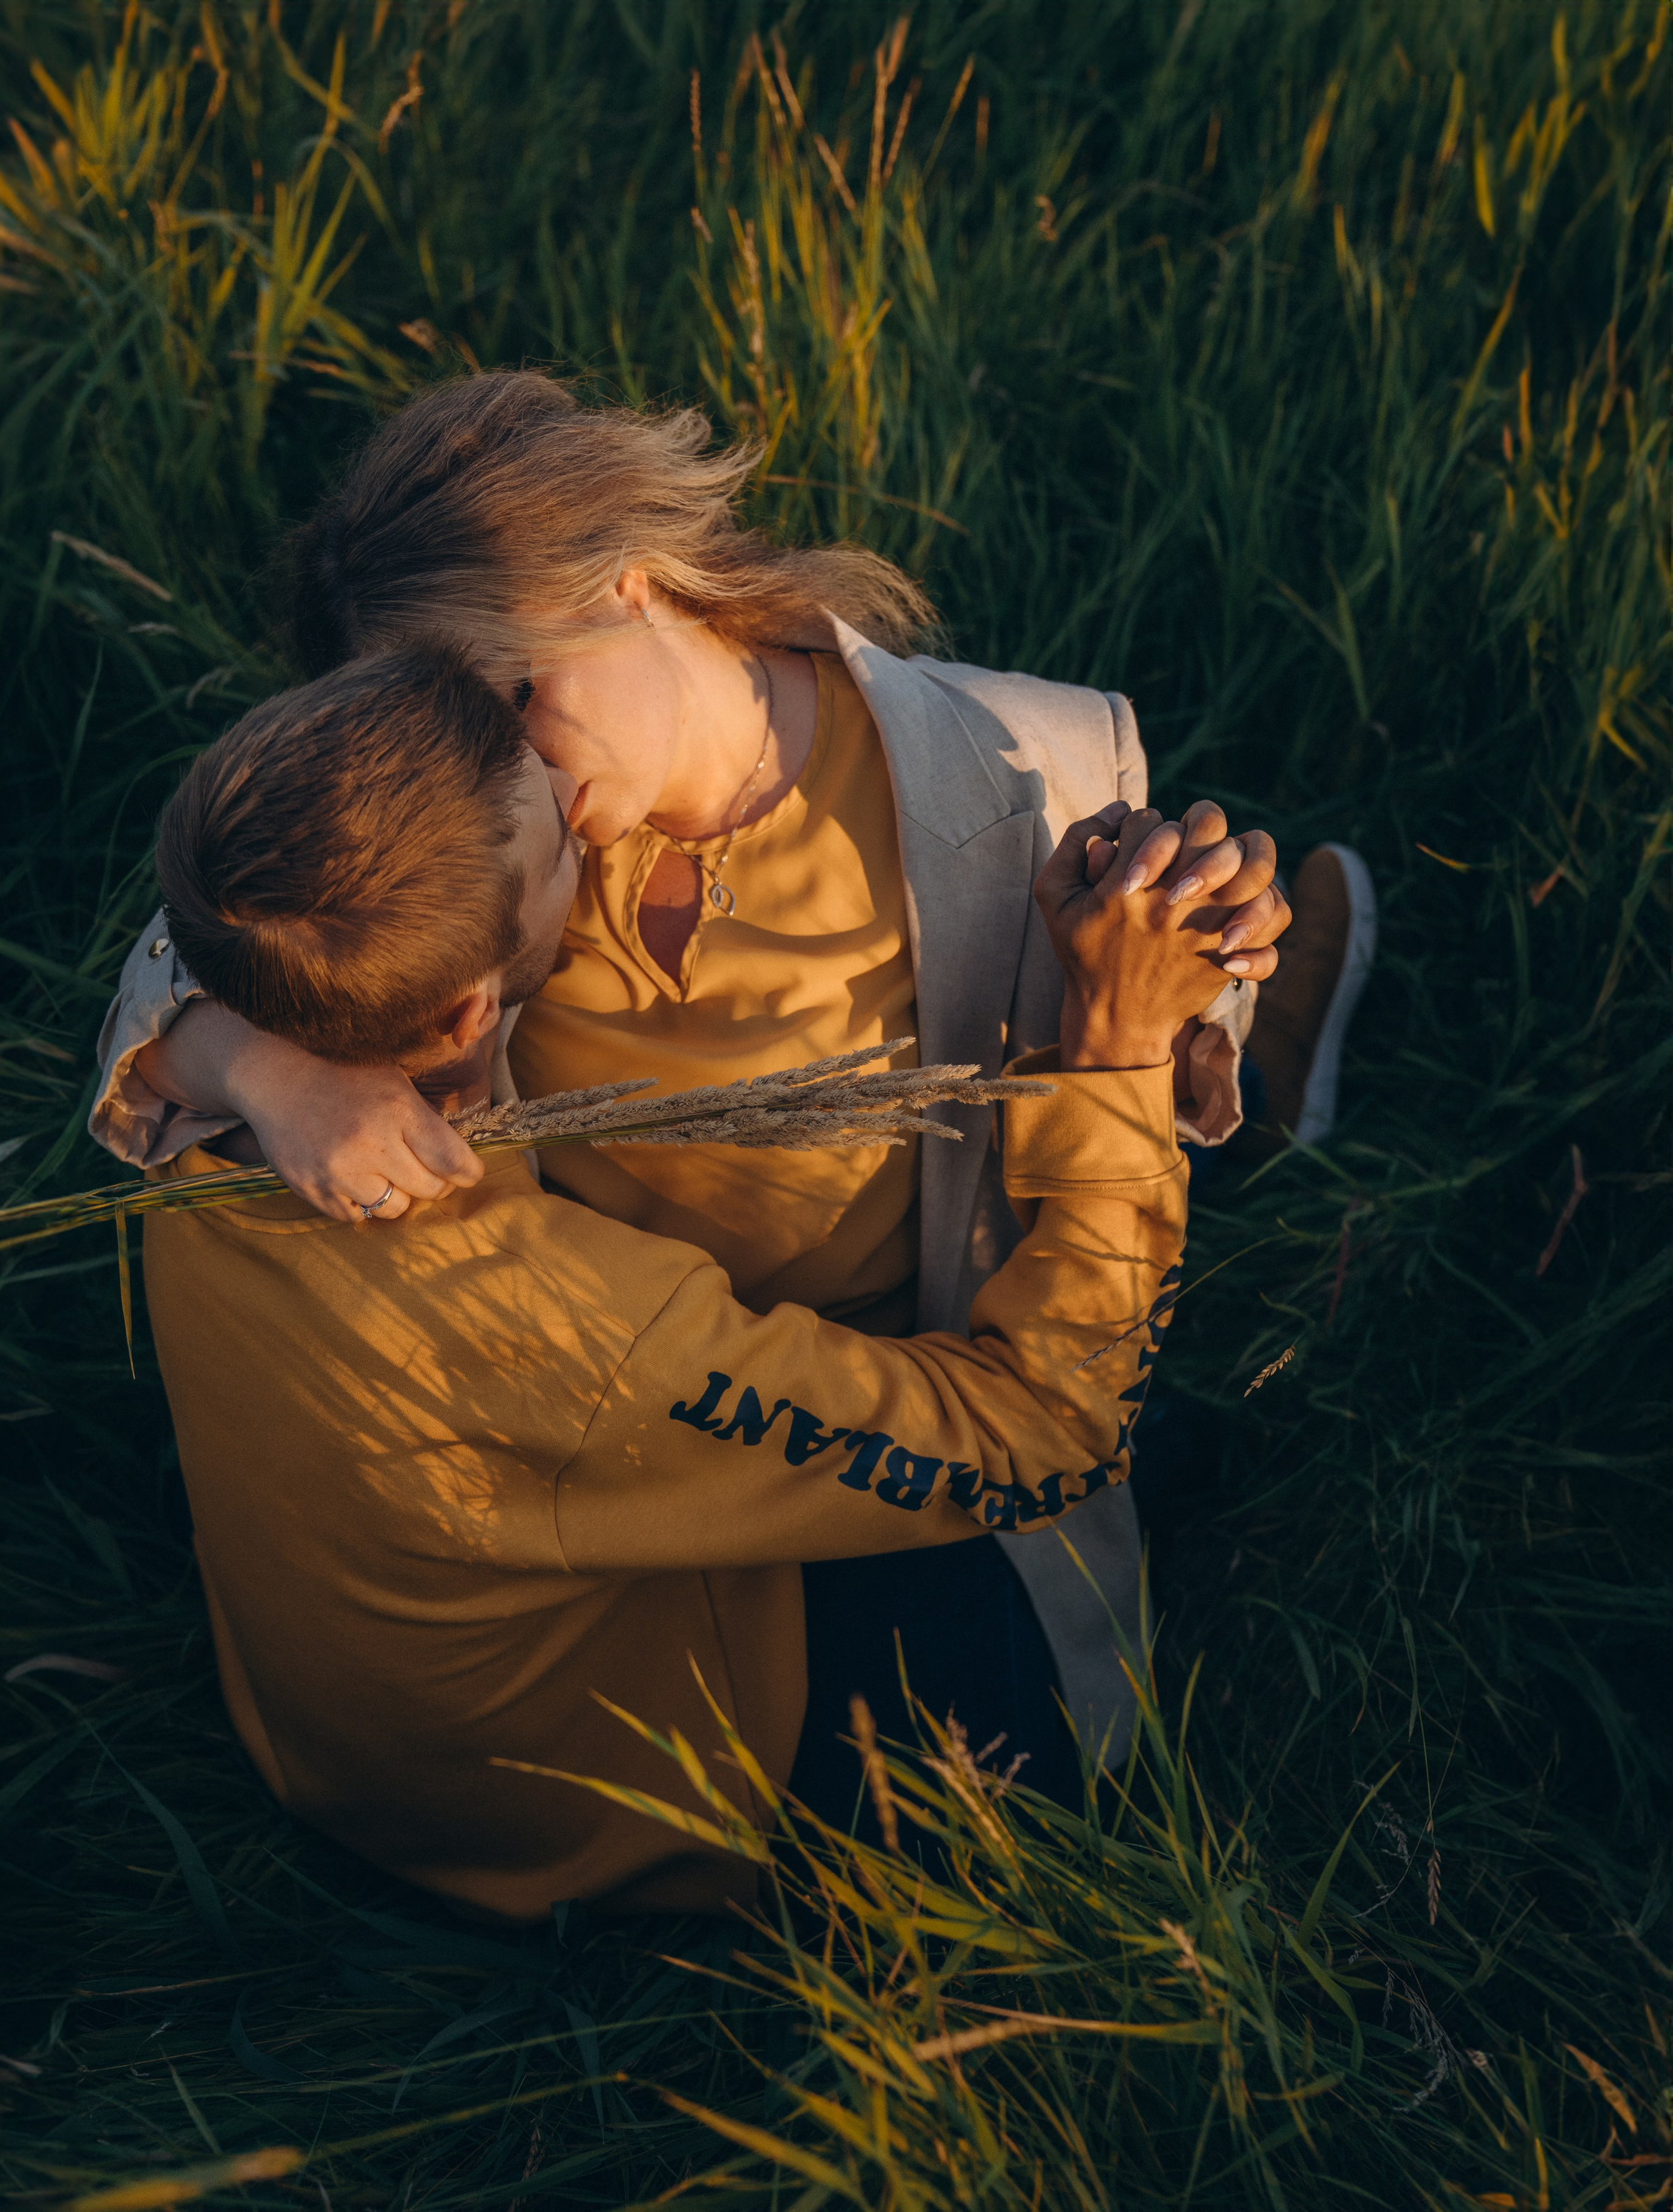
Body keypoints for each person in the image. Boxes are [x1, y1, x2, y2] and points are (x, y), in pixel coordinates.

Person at [93, 370, 1313, 1759]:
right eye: (457, 740)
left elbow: (1131, 1063)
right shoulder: (488, 860)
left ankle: (1302, 1019)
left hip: (910, 1367)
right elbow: (231, 932)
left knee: (1127, 1487)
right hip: (657, 1422)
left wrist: (1209, 976)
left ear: (623, 577)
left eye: (514, 702)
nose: (518, 786)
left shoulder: (1023, 763)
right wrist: (264, 1066)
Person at [140, 646, 1268, 1920]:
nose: (581, 812)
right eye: (559, 856)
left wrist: (248, 1063)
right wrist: (1119, 1051)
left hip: (338, 1728)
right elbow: (1047, 1433)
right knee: (1006, 1598)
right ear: (465, 1018)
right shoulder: (564, 1325)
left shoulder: (215, 1079)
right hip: (568, 1819)